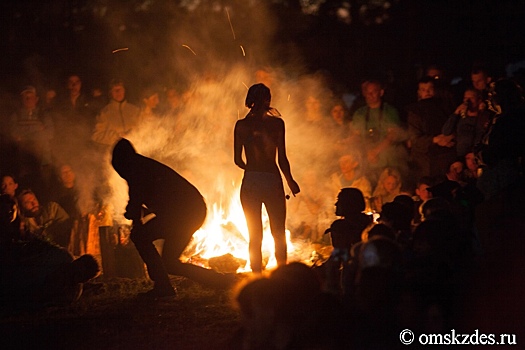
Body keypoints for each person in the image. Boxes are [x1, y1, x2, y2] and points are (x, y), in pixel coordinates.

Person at [111, 138, 233, 298]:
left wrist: (134, 213)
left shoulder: (136, 170)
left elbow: (136, 202)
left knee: (142, 238)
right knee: (169, 262)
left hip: (185, 213)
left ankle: (164, 286)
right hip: (186, 211)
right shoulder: (140, 166)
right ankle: (218, 281)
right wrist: (136, 212)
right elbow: (145, 200)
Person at [234, 83, 300, 273]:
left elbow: (237, 160)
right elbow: (282, 159)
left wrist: (253, 170)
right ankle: (283, 274)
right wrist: (290, 181)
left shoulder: (241, 125)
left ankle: (257, 278)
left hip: (251, 182)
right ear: (267, 99)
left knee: (255, 235)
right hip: (272, 180)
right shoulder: (277, 123)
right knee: (278, 232)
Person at [350, 79, 408, 185]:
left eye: (373, 92)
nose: (370, 95)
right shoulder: (359, 113)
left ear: (381, 92)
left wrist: (375, 151)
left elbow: (392, 135)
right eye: (367, 92)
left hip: (388, 162)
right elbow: (356, 136)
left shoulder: (390, 111)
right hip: (367, 163)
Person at [406, 76, 456, 182]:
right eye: (423, 90)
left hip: (444, 159)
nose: (427, 92)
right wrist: (436, 139)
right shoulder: (415, 111)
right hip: (424, 162)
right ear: (419, 92)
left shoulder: (445, 106)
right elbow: (415, 140)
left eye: (430, 89)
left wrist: (450, 137)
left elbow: (454, 126)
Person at [323, 187, 372, 294]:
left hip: (351, 280)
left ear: (348, 204)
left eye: (339, 201)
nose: (336, 204)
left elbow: (338, 258)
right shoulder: (367, 222)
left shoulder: (342, 227)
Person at [92, 79, 140, 149]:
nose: (118, 92)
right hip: (113, 154)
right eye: (115, 90)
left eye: (120, 89)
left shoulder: (135, 110)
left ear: (124, 91)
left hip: (136, 150)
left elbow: (143, 129)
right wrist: (117, 137)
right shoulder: (104, 113)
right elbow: (96, 135)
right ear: (110, 93)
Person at [441, 87, 489, 158]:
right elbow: (446, 131)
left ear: (479, 100)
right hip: (460, 156)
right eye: (465, 97)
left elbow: (481, 134)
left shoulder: (484, 116)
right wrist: (456, 113)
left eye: (471, 98)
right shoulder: (459, 117)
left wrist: (481, 113)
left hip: (477, 156)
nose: (467, 100)